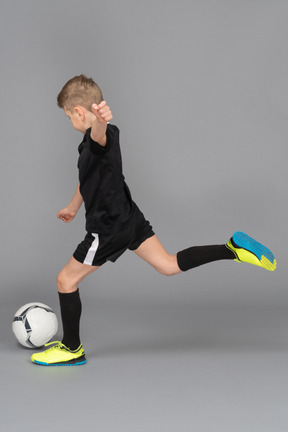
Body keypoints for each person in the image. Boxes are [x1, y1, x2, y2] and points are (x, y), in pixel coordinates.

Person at [31, 75, 276, 366]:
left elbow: (100, 134)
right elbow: (87, 179)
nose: (69, 121)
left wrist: (100, 121)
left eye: (68, 116)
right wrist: (73, 207)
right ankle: (232, 248)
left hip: (108, 228)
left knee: (65, 279)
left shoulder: (100, 136)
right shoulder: (87, 146)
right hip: (130, 217)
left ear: (79, 112)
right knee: (168, 265)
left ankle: (72, 349)